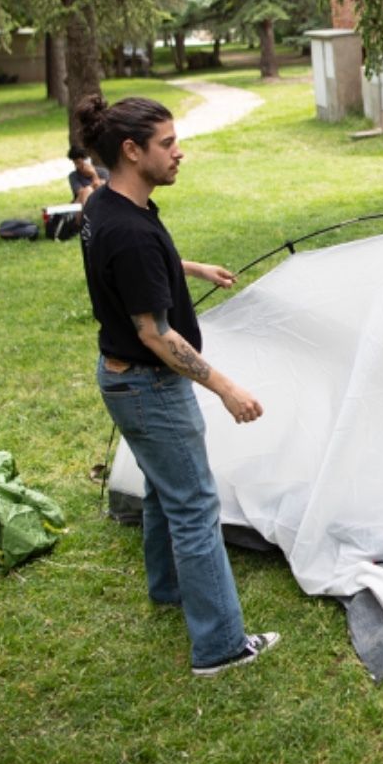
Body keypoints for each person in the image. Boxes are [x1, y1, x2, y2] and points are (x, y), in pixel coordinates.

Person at [75, 93, 279, 676]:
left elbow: (134, 262)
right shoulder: (129, 233)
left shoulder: (104, 205)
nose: (179, 152)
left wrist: (189, 268)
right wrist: (226, 387)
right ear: (132, 151)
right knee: (194, 505)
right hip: (149, 384)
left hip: (120, 382)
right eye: (167, 143)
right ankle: (220, 646)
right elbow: (155, 334)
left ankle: (168, 589)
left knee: (166, 491)